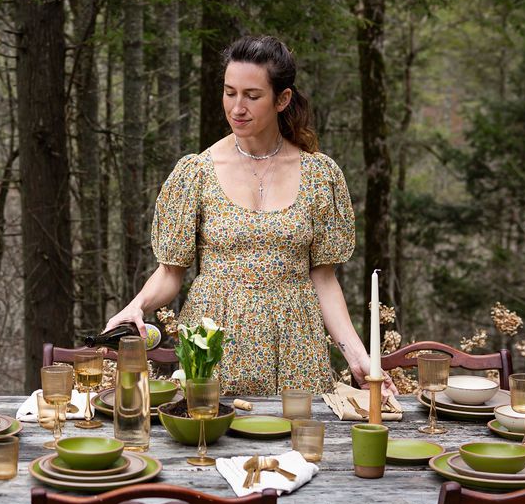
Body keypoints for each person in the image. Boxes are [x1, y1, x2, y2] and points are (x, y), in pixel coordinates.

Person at [105, 34, 398, 397]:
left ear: (282, 99)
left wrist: (358, 356)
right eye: (230, 93)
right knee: (210, 444)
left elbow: (324, 280)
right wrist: (136, 306)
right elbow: (170, 271)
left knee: (298, 446)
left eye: (252, 95)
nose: (237, 108)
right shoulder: (196, 172)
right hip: (215, 344)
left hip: (297, 348)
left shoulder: (319, 175)